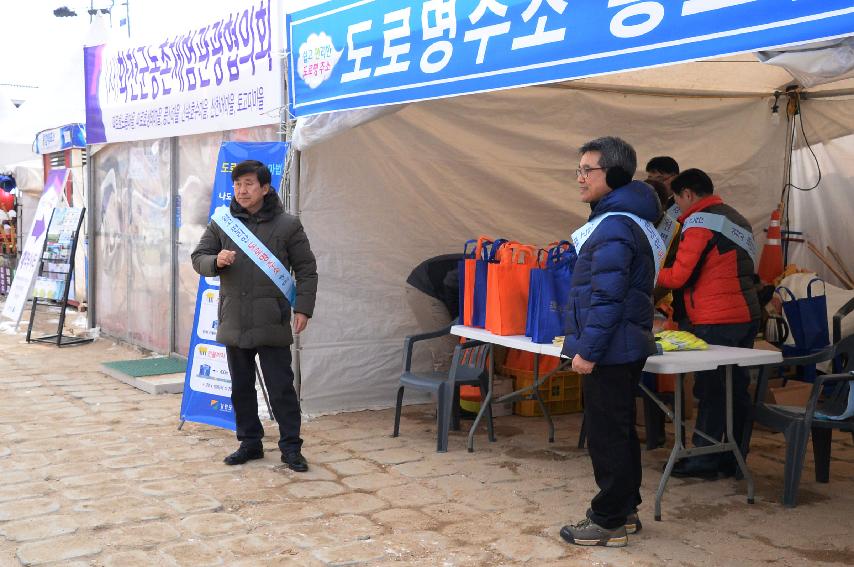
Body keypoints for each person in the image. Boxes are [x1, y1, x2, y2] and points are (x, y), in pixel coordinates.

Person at [559, 137, 660, 548]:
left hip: (611, 346)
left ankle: (609, 520)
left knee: (607, 434)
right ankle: (625, 510)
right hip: (621, 344)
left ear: (614, 175)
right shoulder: (626, 219)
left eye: (589, 170)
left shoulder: (615, 224)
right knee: (618, 429)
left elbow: (606, 296)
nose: (580, 178)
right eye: (579, 170)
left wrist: (588, 351)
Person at [192, 160, 318, 472]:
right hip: (234, 319)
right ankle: (249, 442)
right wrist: (215, 261)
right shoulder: (222, 223)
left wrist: (303, 307)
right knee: (240, 386)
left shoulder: (288, 225)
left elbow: (306, 269)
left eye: (249, 184)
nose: (242, 190)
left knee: (281, 387)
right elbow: (198, 257)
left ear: (265, 188)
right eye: (237, 185)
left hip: (271, 319)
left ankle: (291, 447)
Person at [656, 169, 760, 479]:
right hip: (745, 315)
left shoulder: (699, 223)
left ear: (687, 193)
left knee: (713, 390)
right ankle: (734, 458)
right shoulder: (735, 217)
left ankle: (703, 460)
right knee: (736, 389)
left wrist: (644, 273)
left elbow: (678, 276)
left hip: (716, 319)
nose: (676, 205)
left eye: (676, 197)